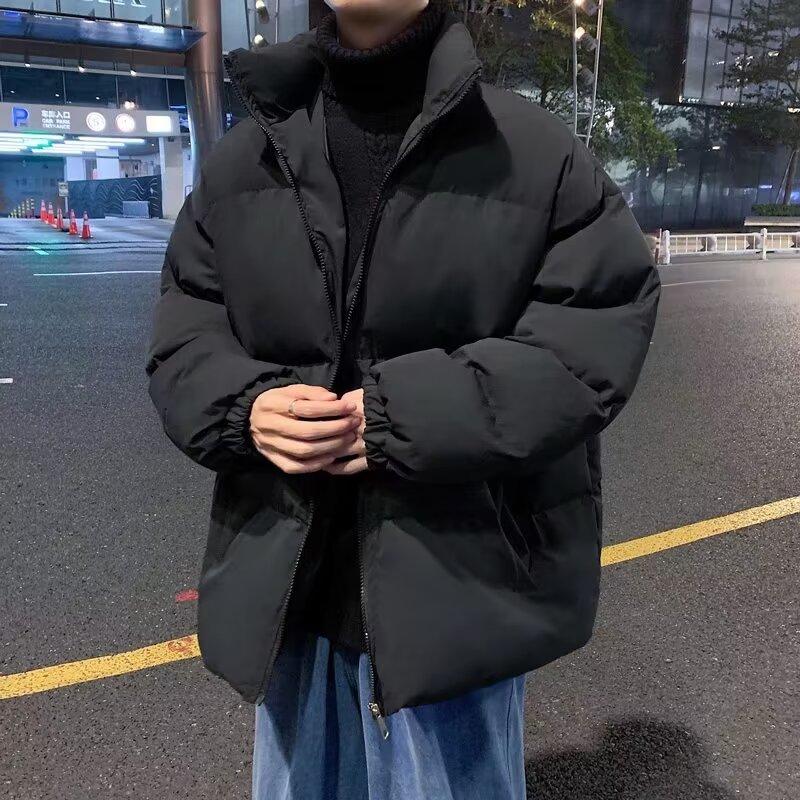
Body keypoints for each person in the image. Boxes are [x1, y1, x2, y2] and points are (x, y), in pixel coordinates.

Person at [146, 0, 661, 797]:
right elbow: (186, 333)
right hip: (288, 591)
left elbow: (588, 337)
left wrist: (400, 416)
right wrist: (245, 406)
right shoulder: (243, 161)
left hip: (458, 589)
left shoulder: (537, 154)